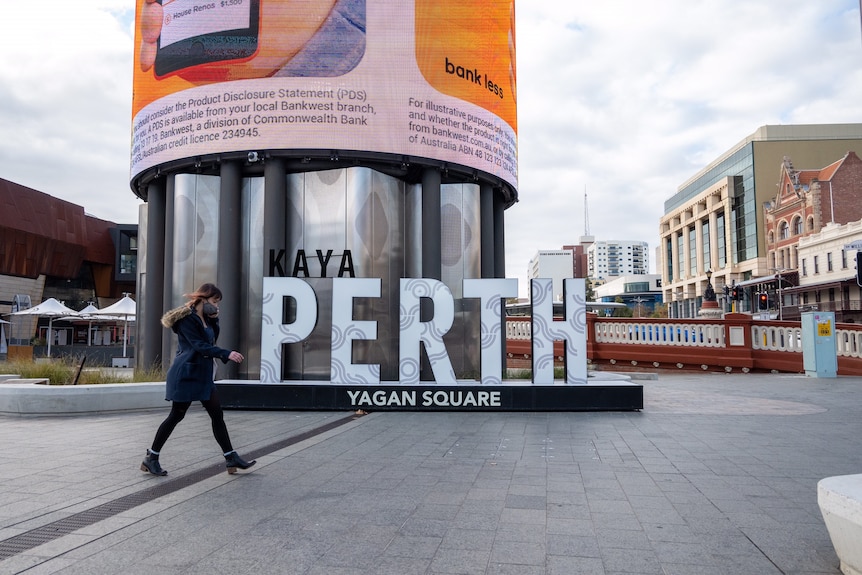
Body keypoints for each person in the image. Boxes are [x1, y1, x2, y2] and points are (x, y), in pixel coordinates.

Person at [141, 283, 256, 476]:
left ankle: (231, 457)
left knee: (217, 414)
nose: (217, 305)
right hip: (185, 374)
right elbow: (200, 346)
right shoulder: (187, 320)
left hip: (202, 376)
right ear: (203, 299)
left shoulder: (208, 320)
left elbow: (211, 341)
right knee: (176, 415)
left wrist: (214, 320)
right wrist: (226, 354)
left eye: (218, 302)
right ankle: (151, 458)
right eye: (214, 301)